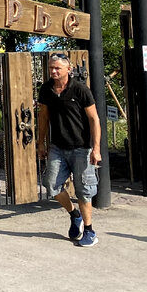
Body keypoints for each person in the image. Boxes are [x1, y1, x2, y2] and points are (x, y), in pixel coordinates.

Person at [37, 52, 102, 247]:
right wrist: (41, 143)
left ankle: (89, 231)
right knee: (51, 185)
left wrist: (96, 148)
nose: (53, 71)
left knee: (84, 190)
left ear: (68, 69)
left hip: (81, 147)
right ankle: (74, 215)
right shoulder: (46, 89)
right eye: (51, 68)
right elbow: (43, 117)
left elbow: (94, 119)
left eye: (57, 68)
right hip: (58, 146)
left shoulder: (80, 90)